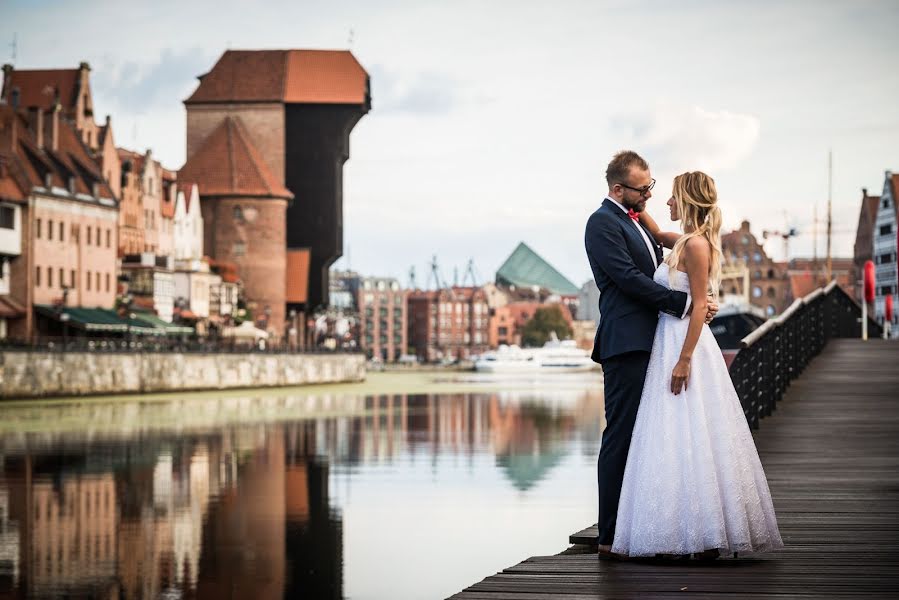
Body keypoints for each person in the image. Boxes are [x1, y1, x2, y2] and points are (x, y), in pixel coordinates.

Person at [611, 171, 783, 558]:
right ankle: (677, 530)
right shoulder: (681, 242)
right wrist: (635, 204)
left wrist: (684, 360)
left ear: (686, 201)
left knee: (694, 432)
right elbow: (656, 233)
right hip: (666, 341)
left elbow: (701, 304)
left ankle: (701, 534)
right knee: (670, 433)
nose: (666, 203)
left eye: (672, 197)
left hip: (684, 346)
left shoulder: (698, 246)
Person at [583, 151, 718, 557]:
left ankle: (644, 525)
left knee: (652, 438)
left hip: (655, 342)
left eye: (653, 187)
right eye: (644, 189)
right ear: (618, 189)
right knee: (621, 436)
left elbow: (678, 251)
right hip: (627, 343)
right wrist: (685, 304)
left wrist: (699, 297)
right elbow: (626, 280)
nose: (650, 195)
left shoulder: (635, 220)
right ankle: (609, 536)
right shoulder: (602, 223)